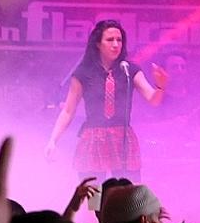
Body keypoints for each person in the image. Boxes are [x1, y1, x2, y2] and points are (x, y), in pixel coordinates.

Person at [46, 20, 165, 178]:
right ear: (98, 44)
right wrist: (53, 140)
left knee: (127, 190)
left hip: (122, 139)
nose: (116, 45)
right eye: (110, 40)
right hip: (93, 138)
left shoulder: (129, 70)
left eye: (119, 40)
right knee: (93, 190)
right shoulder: (84, 72)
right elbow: (68, 111)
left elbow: (153, 99)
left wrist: (160, 86)